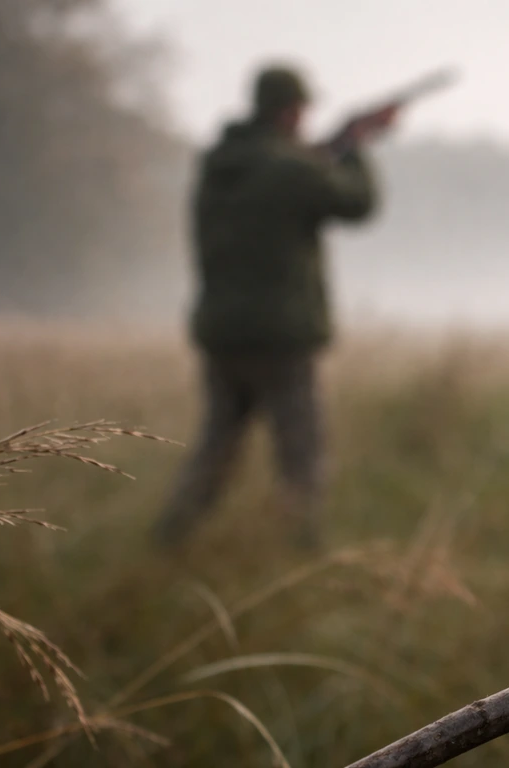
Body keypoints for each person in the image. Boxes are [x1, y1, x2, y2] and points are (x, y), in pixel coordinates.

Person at [154, 64, 394, 549]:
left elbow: (283, 178)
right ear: (289, 111)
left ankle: (169, 540)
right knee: (301, 454)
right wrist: (356, 146)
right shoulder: (287, 168)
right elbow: (357, 203)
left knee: (216, 449)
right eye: (302, 111)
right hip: (280, 336)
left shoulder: (221, 163)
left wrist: (330, 147)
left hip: (222, 332)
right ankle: (303, 549)